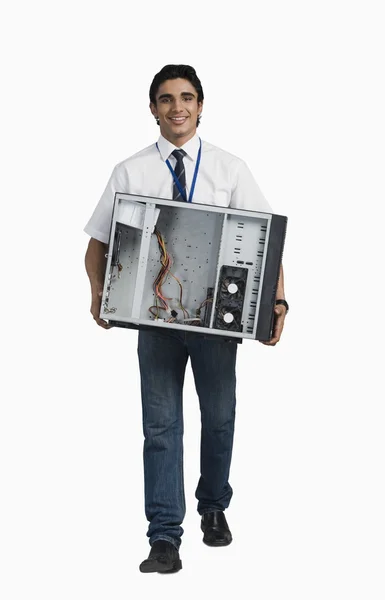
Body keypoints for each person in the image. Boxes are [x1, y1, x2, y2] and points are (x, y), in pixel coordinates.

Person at [84, 64, 288, 574]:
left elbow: (266, 242)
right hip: (154, 321)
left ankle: (214, 505)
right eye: (167, 99)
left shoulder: (230, 168)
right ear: (152, 107)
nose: (178, 107)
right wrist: (98, 295)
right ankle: (163, 537)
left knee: (219, 419)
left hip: (215, 325)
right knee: (160, 426)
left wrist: (278, 304)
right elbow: (97, 244)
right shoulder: (130, 172)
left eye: (187, 98)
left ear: (201, 105)